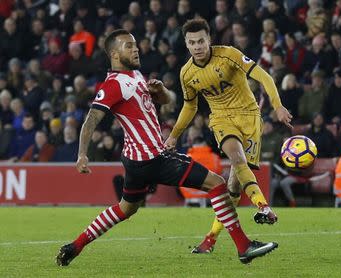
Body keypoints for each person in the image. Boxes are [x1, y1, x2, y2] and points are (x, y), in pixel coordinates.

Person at [56, 29, 277, 267]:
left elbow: (168, 101)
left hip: (135, 160)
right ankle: (244, 247)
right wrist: (81, 154)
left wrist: (161, 92)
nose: (136, 48)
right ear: (114, 54)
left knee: (126, 208)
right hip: (153, 157)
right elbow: (91, 119)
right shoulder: (113, 85)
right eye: (129, 46)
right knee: (217, 184)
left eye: (135, 44)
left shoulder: (136, 75)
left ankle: (75, 246)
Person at [164, 18, 292, 254]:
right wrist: (174, 135)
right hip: (221, 119)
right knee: (236, 158)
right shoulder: (186, 73)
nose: (197, 46)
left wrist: (278, 106)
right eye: (192, 42)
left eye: (201, 41)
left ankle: (210, 238)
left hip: (250, 117)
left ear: (209, 39)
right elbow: (189, 107)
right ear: (186, 44)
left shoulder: (229, 54)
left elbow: (264, 76)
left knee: (233, 188)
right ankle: (263, 206)